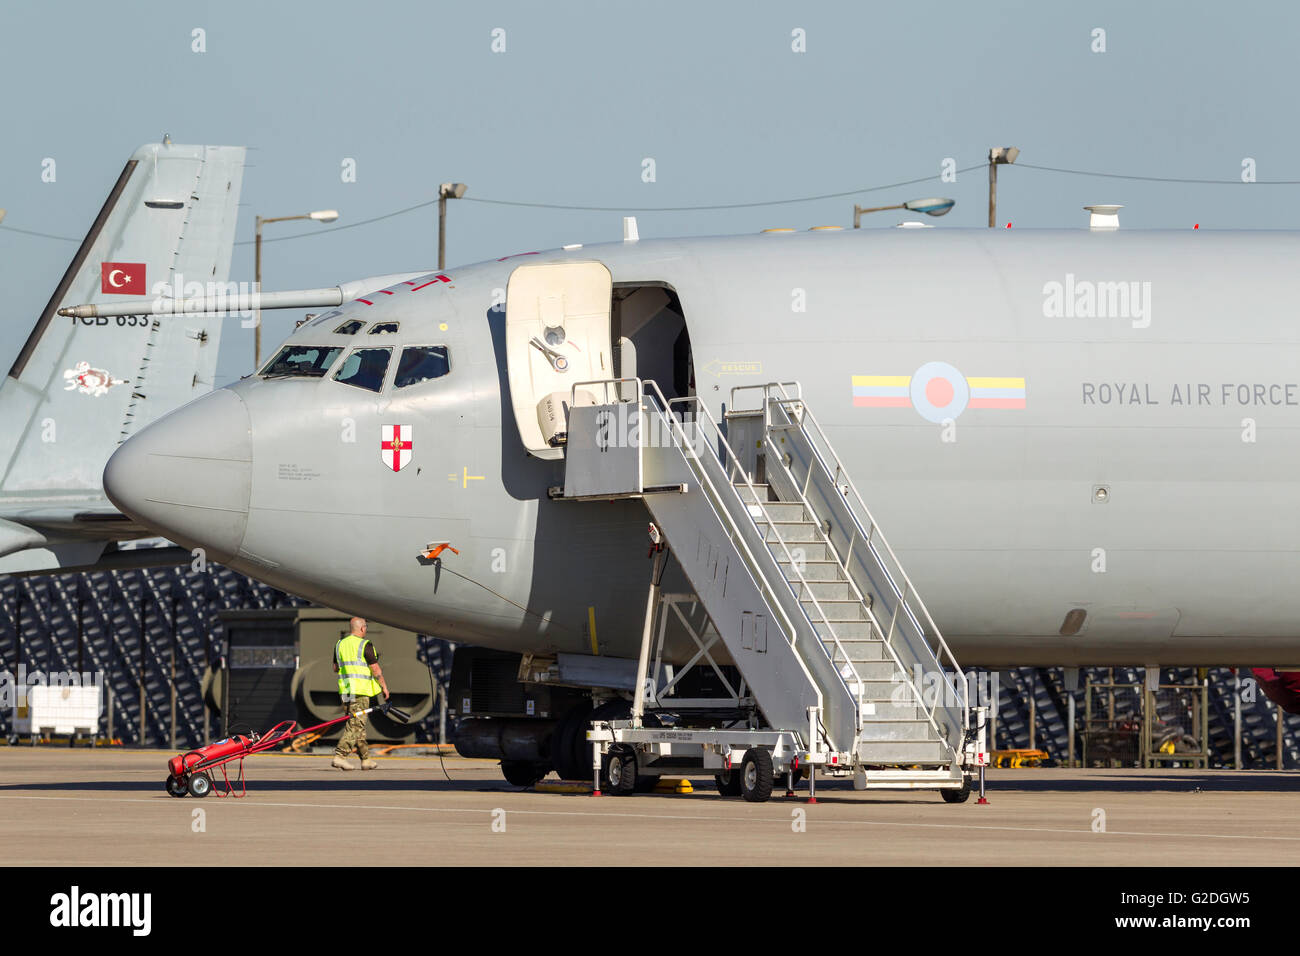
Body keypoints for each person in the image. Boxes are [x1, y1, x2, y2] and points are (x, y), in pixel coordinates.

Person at [331, 617, 390, 770]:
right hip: (360, 691)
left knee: (357, 725)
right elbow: (375, 669)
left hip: (346, 692)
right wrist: (383, 686)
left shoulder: (340, 644)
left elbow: (335, 668)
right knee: (356, 725)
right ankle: (340, 756)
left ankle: (365, 759)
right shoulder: (365, 645)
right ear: (362, 628)